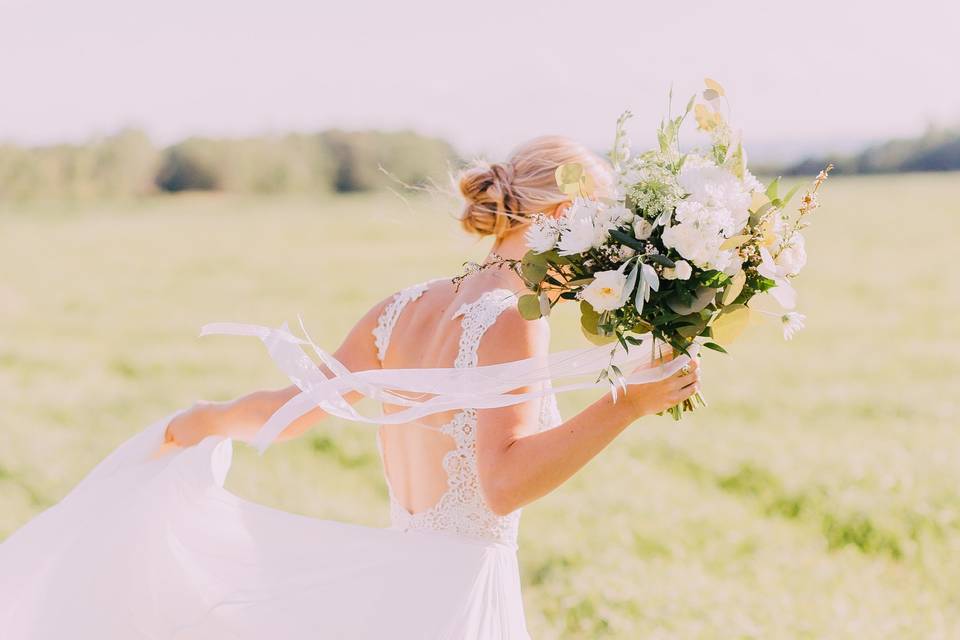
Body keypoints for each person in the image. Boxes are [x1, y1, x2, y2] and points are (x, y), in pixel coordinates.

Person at [0, 136, 700, 639]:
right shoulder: (514, 319)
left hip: (397, 594)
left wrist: (203, 420)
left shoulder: (406, 305)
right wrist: (627, 404)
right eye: (603, 235)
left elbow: (295, 411)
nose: (606, 258)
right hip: (457, 602)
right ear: (557, 220)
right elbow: (502, 483)